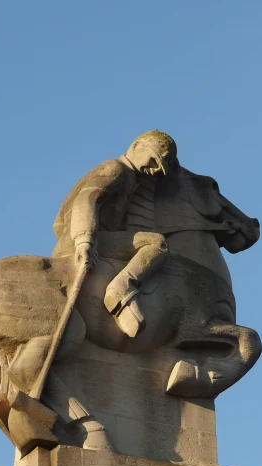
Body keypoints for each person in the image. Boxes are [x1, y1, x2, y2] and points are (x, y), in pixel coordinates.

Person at [52, 130, 177, 337]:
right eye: (153, 160)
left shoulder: (128, 178)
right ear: (137, 147)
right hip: (89, 239)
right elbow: (88, 198)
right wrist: (85, 240)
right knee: (157, 243)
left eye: (159, 169)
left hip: (87, 238)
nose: (154, 170)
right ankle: (121, 290)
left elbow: (57, 224)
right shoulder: (114, 169)